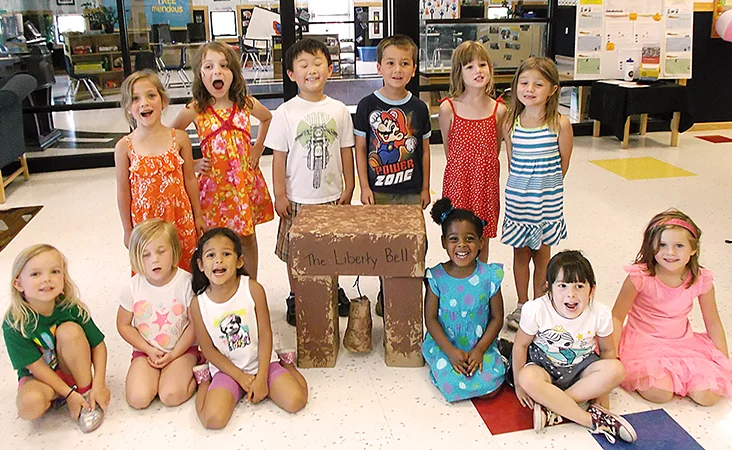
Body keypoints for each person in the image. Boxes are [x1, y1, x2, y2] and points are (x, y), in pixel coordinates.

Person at [265, 38, 355, 326]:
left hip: (330, 195)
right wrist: (279, 194)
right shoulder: (285, 113)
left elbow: (346, 150)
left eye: (318, 63)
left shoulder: (339, 109)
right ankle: (296, 293)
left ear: (330, 69)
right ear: (292, 74)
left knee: (333, 248)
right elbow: (279, 158)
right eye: (303, 65)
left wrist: (349, 185)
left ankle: (332, 288)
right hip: (297, 198)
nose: (311, 70)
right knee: (295, 252)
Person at [171, 41, 274, 280]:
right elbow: (171, 137)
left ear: (234, 73)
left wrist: (258, 147)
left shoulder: (245, 103)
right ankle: (215, 285)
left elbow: (268, 118)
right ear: (200, 74)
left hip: (242, 183)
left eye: (224, 66)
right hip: (213, 187)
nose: (217, 71)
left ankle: (251, 284)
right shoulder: (196, 108)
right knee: (213, 237)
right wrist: (192, 163)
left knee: (247, 237)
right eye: (209, 66)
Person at [512, 250, 637, 444]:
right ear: (549, 289)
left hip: (581, 368)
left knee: (617, 369)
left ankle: (553, 406)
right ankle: (591, 421)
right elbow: (520, 346)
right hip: (543, 366)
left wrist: (602, 392)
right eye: (562, 286)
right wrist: (519, 386)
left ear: (591, 290)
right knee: (527, 378)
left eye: (579, 286)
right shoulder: (536, 309)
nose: (571, 294)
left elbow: (607, 351)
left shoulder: (600, 313)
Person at [188, 228, 308, 429]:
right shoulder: (198, 304)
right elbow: (208, 349)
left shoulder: (253, 289)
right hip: (227, 370)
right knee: (212, 420)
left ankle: (287, 364)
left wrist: (261, 378)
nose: (218, 261)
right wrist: (240, 377)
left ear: (239, 261)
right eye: (211, 255)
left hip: (262, 363)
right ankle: (204, 383)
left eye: (226, 254)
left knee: (296, 401)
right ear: (200, 265)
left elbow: (265, 334)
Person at [612, 209, 732, 406]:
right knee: (660, 393)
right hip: (643, 344)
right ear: (651, 246)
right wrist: (613, 355)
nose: (670, 252)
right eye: (662, 245)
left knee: (708, 395)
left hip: (684, 344)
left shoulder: (701, 279)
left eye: (679, 246)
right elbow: (617, 317)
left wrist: (723, 360)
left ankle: (684, 376)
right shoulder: (639, 277)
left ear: (693, 249)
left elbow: (713, 321)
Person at [354, 34, 431, 316]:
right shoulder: (366, 106)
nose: (397, 70)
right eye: (390, 63)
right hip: (379, 191)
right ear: (379, 68)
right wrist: (364, 187)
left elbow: (423, 151)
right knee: (383, 246)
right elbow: (361, 149)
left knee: (412, 244)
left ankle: (408, 295)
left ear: (413, 69)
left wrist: (425, 188)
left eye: (404, 63)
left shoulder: (419, 108)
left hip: (411, 191)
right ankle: (386, 295)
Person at [3, 244, 109, 432]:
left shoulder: (71, 308)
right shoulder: (14, 324)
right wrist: (67, 394)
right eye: (36, 274)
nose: (47, 279)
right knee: (29, 406)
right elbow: (36, 367)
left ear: (63, 278)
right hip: (41, 378)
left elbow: (98, 345)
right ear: (18, 284)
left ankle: (84, 395)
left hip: (72, 371)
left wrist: (98, 384)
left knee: (70, 331)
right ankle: (64, 396)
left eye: (54, 271)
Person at [502, 57, 573, 331]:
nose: (529, 89)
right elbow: (512, 162)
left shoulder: (560, 125)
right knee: (520, 256)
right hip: (519, 203)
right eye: (524, 83)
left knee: (543, 257)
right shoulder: (511, 124)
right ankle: (522, 304)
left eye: (538, 84)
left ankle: (540, 304)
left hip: (547, 205)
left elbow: (563, 163)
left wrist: (546, 187)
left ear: (553, 90)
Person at [115, 70, 204, 272]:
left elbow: (190, 179)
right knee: (151, 269)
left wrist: (198, 216)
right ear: (128, 108)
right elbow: (123, 191)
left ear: (163, 101)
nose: (144, 103)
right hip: (145, 223)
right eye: (135, 99)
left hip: (179, 218)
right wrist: (127, 229)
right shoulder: (124, 147)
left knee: (184, 268)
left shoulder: (179, 139)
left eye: (151, 95)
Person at [422, 198, 506, 402]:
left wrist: (479, 350)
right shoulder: (436, 277)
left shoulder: (489, 275)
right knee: (452, 385)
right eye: (453, 239)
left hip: (480, 344)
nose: (462, 245)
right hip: (446, 345)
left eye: (469, 239)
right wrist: (450, 352)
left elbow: (497, 318)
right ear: (443, 242)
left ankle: (499, 355)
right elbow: (431, 319)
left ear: (481, 242)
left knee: (492, 387)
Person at [116, 219, 201, 409]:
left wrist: (174, 354)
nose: (154, 259)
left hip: (182, 351)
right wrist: (147, 349)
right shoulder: (133, 286)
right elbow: (123, 325)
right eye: (146, 255)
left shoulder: (186, 283)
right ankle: (159, 377)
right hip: (146, 351)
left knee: (171, 396)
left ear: (174, 249)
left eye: (161, 251)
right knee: (137, 399)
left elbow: (195, 325)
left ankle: (197, 374)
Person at [438, 41, 506, 263]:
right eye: (469, 66)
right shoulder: (449, 108)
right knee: (457, 235)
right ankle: (458, 284)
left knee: (482, 236)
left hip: (485, 184)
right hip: (459, 182)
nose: (478, 71)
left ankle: (481, 286)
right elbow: (450, 150)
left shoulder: (499, 110)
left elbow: (494, 147)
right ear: (459, 72)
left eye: (483, 65)